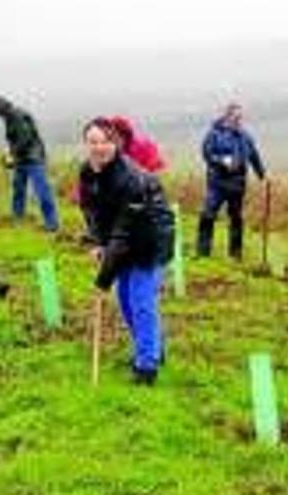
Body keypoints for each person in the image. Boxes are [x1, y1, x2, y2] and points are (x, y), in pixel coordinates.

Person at [78, 117, 175, 385]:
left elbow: (123, 235)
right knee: (125, 300)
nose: (100, 147)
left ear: (115, 143)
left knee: (140, 301)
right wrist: (98, 243)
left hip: (150, 240)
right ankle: (155, 349)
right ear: (86, 144)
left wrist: (102, 281)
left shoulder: (130, 179)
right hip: (123, 243)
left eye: (106, 141)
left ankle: (147, 367)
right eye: (93, 141)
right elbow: (91, 212)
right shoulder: (87, 172)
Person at [197, 102, 266, 259]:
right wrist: (222, 161)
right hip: (217, 183)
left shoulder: (245, 136)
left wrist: (262, 175)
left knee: (236, 218)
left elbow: (254, 155)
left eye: (240, 118)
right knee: (207, 214)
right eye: (236, 117)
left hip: (238, 184)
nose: (239, 121)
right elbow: (207, 154)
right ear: (227, 117)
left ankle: (235, 254)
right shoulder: (214, 134)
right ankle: (202, 252)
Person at [0, 96, 59, 232]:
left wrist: (11, 155)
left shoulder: (17, 115)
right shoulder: (8, 117)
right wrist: (10, 154)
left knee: (42, 191)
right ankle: (17, 218)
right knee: (18, 190)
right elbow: (14, 139)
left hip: (33, 158)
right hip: (22, 159)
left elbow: (25, 138)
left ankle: (52, 224)